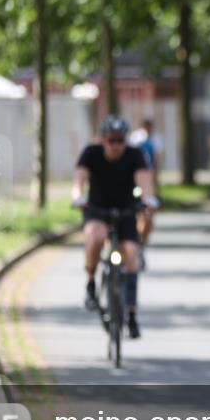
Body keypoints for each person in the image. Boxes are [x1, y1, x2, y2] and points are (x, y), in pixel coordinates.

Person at [72, 116, 159, 339]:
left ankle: (131, 314)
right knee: (95, 236)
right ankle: (91, 283)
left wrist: (149, 200)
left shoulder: (134, 154)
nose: (116, 145)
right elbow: (79, 179)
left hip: (126, 211)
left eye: (120, 140)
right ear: (103, 140)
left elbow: (144, 181)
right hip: (97, 209)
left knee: (131, 254)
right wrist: (78, 197)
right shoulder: (91, 153)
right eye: (111, 140)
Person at [128, 116, 164, 269]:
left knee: (148, 217)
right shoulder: (135, 138)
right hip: (133, 180)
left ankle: (141, 246)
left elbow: (157, 161)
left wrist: (155, 184)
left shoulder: (156, 140)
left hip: (148, 181)